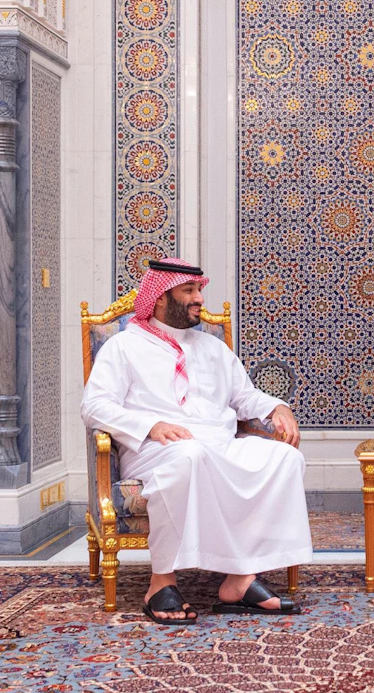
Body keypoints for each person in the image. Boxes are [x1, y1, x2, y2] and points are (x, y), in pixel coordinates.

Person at [81, 258, 312, 624]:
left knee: (285, 459)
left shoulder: (212, 347)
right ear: (160, 297)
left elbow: (243, 396)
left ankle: (241, 578)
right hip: (156, 449)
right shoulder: (123, 347)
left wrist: (276, 407)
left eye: (199, 290)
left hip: (219, 443)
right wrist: (152, 425)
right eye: (188, 291)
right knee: (189, 456)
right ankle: (161, 582)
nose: (199, 299)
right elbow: (94, 407)